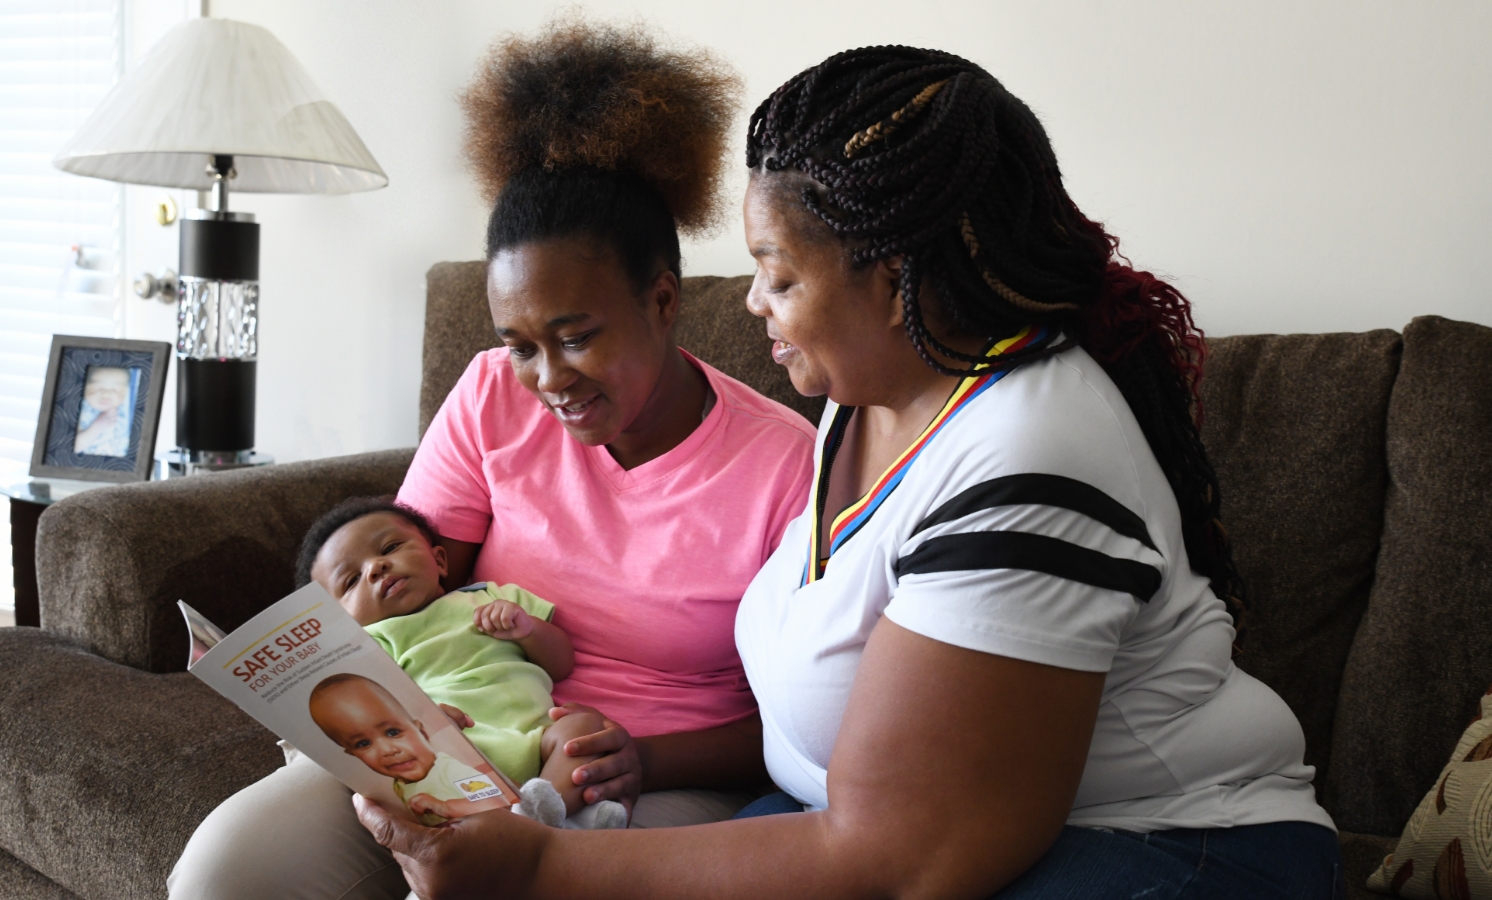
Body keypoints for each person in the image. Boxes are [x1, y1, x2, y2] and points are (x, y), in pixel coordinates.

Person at [352, 46, 1343, 899]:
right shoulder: (868, 399)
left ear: (897, 271)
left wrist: (533, 871)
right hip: (879, 826)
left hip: (1165, 852)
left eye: (779, 274)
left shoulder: (1030, 453)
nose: (750, 303)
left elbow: (903, 858)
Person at [166, 20, 816, 900]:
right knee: (224, 872)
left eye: (576, 337)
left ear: (663, 300)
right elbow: (413, 583)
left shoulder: (786, 465)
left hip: (638, 780)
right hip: (452, 746)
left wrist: (642, 756)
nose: (546, 379)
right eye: (519, 343)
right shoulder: (488, 394)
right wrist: (386, 705)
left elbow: (797, 719)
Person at [297, 497, 628, 829]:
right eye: (352, 580)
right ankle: (545, 827)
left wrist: (528, 630)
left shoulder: (491, 596)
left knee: (583, 726)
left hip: (538, 740)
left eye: (390, 547)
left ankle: (544, 818)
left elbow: (561, 664)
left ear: (439, 560)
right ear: (343, 621)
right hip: (458, 750)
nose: (376, 568)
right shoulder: (373, 643)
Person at [307, 674, 494, 824]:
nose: (387, 750)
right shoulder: (399, 785)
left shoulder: (448, 770)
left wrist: (446, 808)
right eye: (363, 744)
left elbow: (496, 799)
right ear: (352, 754)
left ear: (422, 731)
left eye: (393, 732)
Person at [73, 365, 132, 456]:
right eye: (96, 388)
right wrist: (98, 426)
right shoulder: (80, 409)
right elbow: (74, 446)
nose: (106, 394)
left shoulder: (124, 410)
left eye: (116, 390)